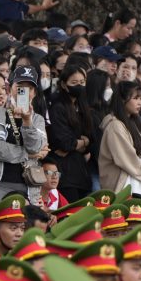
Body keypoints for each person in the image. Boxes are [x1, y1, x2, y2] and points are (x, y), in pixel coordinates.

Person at [0, 66, 47, 205]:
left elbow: (35, 147)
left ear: (34, 93)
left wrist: (27, 121)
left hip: (30, 187)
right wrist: (29, 155)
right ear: (9, 88)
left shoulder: (37, 119)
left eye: (30, 88)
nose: (25, 92)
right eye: (20, 87)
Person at [98, 81, 141, 197]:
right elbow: (128, 160)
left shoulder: (134, 122)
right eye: (135, 98)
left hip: (138, 183)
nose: (139, 102)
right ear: (122, 100)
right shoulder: (115, 126)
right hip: (123, 187)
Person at [46, 65, 93, 202]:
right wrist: (82, 142)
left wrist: (84, 143)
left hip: (81, 173)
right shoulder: (58, 107)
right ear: (63, 84)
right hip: (65, 175)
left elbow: (92, 139)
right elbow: (65, 143)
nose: (79, 86)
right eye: (74, 83)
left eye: (82, 82)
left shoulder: (83, 106)